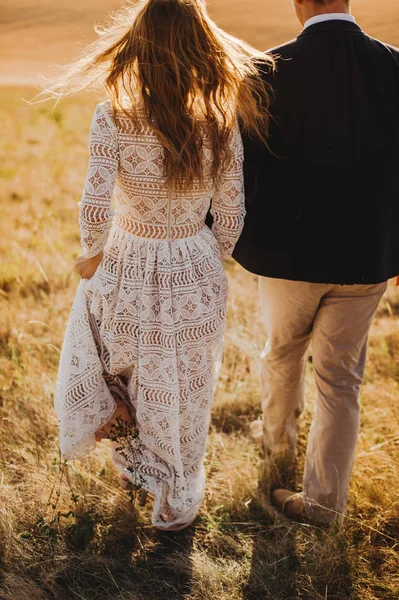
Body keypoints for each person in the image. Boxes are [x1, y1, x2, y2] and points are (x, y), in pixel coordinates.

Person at [51, 0, 273, 531]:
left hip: (127, 261)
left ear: (140, 47)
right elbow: (234, 209)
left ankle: (133, 473)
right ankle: (175, 499)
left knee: (125, 376)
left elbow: (95, 202)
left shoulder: (113, 114)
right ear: (201, 46)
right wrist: (206, 257)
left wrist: (90, 255)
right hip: (193, 264)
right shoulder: (220, 120)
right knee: (187, 391)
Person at [233, 0, 399, 524]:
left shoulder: (263, 71)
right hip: (368, 258)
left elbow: (241, 171)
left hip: (287, 259)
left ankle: (277, 457)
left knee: (281, 356)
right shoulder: (395, 65)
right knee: (341, 379)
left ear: (297, 3)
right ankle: (325, 504)